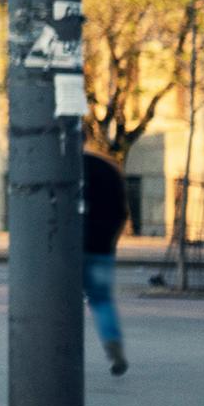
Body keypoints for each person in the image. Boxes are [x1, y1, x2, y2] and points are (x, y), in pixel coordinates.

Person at [82, 145, 129, 374]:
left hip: (68, 250)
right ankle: (113, 348)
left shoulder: (62, 170)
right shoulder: (106, 168)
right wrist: (109, 240)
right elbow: (122, 211)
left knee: (59, 302)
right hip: (102, 249)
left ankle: (59, 351)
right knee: (101, 301)